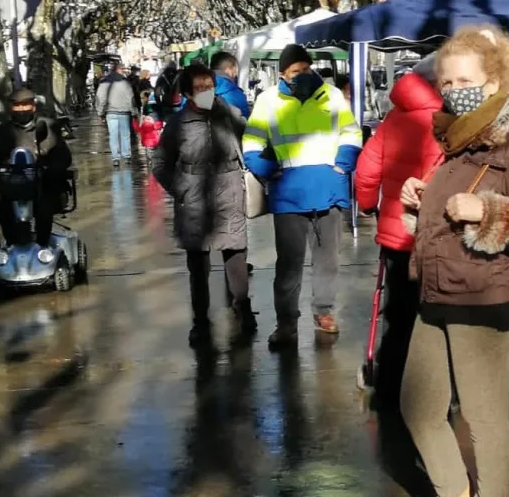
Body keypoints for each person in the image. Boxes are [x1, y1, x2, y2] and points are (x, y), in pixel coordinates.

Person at [398, 27, 509, 497]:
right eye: (445, 83)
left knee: (484, 420)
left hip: (487, 298)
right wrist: (423, 201)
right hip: (437, 293)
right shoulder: (457, 142)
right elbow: (450, 215)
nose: (452, 91)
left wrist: (488, 213)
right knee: (418, 407)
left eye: (462, 80)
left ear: (493, 82)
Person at [243, 44, 363, 346]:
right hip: (289, 194)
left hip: (328, 191)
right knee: (289, 264)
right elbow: (252, 144)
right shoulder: (268, 100)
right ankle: (286, 322)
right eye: (296, 70)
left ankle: (324, 311)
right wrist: (268, 169)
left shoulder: (333, 96)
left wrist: (343, 164)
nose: (303, 74)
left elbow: (351, 132)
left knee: (328, 260)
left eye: (306, 68)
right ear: (282, 73)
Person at [354, 69, 444, 408]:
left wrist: (366, 206)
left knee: (396, 313)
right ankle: (430, 389)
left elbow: (366, 169)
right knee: (433, 313)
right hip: (433, 233)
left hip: (395, 235)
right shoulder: (448, 121)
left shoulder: (393, 117)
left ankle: (389, 388)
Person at [152, 63, 256, 346]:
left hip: (230, 194)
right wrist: (181, 190)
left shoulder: (231, 116)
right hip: (194, 200)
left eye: (208, 87)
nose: (205, 93)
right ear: (186, 93)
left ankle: (243, 308)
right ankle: (200, 321)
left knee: (236, 258)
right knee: (198, 268)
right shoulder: (177, 124)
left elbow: (253, 145)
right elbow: (160, 163)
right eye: (198, 89)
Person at [0, 88, 73, 247]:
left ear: (33, 107)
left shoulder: (48, 126)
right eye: (17, 106)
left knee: (44, 204)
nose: (21, 109)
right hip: (13, 185)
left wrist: (50, 169)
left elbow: (63, 156)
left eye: (25, 105)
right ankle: (11, 243)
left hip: (42, 185)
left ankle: (42, 245)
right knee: (0, 202)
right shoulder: (4, 130)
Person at [97, 61, 137, 167]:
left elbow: (100, 98)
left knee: (113, 135)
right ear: (118, 70)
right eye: (122, 70)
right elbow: (131, 98)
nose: (124, 71)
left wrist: (100, 113)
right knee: (125, 134)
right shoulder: (125, 82)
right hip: (124, 111)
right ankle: (127, 156)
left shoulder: (104, 81)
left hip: (110, 112)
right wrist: (134, 112)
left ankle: (115, 158)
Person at [210, 51, 250, 118]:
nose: (235, 74)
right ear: (230, 69)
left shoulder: (194, 89)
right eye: (235, 70)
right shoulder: (237, 95)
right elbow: (246, 124)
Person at [132, 93, 164, 164]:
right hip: (158, 125)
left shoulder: (146, 106)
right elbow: (162, 115)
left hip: (149, 127)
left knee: (149, 144)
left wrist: (140, 123)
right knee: (158, 141)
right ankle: (157, 157)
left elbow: (143, 116)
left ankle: (150, 159)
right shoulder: (159, 105)